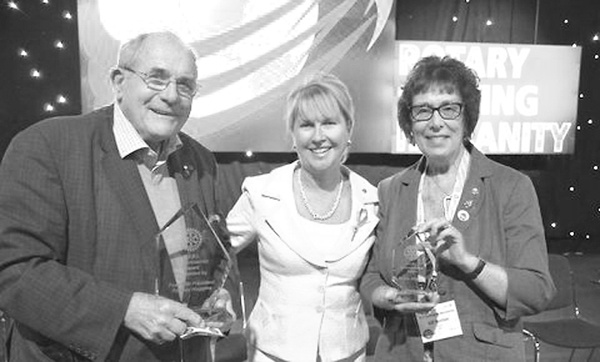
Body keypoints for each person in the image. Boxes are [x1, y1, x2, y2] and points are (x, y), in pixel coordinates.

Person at [0, 31, 239, 361]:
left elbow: (211, 254)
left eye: (185, 84)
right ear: (118, 81)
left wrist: (213, 297)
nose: (171, 95)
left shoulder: (201, 161)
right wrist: (124, 309)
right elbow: (15, 270)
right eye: (156, 78)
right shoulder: (48, 146)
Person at [360, 56, 556, 362]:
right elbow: (372, 277)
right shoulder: (391, 189)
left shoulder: (510, 186)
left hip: (480, 354)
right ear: (410, 124)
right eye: (423, 110)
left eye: (449, 108)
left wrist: (469, 263)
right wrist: (391, 298)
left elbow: (536, 291)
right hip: (403, 352)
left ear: (467, 118)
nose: (436, 122)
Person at [226, 73, 378, 361]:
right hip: (272, 354)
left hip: (348, 354)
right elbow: (211, 254)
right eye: (307, 125)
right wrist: (221, 298)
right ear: (293, 135)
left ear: (349, 129)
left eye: (329, 123)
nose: (318, 136)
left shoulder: (373, 200)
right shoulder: (261, 194)